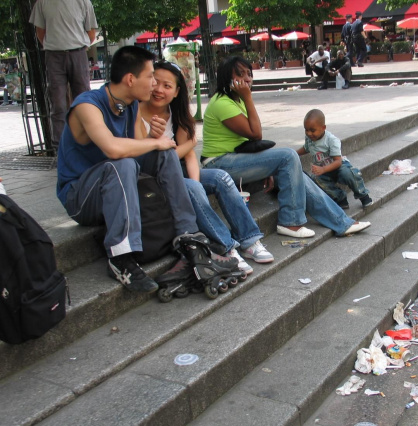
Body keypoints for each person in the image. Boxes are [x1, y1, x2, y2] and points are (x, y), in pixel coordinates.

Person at [56, 46, 209, 292]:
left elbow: (141, 148)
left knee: (165, 153)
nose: (154, 84)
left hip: (116, 187)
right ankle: (120, 257)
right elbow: (113, 149)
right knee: (123, 163)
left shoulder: (131, 106)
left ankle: (187, 234)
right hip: (80, 197)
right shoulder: (87, 105)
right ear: (130, 79)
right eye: (150, 77)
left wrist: (153, 138)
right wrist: (152, 141)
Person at [201, 56, 370, 239]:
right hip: (219, 163)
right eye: (240, 74)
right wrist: (248, 97)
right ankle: (291, 221)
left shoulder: (236, 100)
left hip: (236, 159)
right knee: (288, 156)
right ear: (228, 78)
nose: (248, 79)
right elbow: (256, 133)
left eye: (249, 73)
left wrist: (267, 168)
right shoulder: (222, 103)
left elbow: (250, 139)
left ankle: (342, 222)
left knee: (295, 170)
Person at [140, 60, 273, 274]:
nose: (159, 89)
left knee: (219, 177)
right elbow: (146, 156)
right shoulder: (136, 112)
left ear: (176, 92)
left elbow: (190, 154)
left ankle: (249, 241)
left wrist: (195, 180)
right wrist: (179, 149)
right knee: (191, 188)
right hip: (149, 179)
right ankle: (227, 248)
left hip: (177, 170)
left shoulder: (178, 115)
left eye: (167, 86)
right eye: (155, 82)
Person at [29, 0, 98, 149]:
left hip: (77, 52)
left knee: (84, 100)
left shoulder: (84, 2)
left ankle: (88, 140)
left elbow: (91, 33)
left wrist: (78, 46)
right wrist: (54, 46)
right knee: (57, 101)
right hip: (54, 55)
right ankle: (60, 146)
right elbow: (40, 32)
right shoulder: (43, 3)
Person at [297, 109, 372, 210]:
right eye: (306, 130)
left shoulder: (331, 140)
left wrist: (323, 169)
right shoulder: (310, 139)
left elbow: (338, 161)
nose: (309, 133)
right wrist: (294, 153)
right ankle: (340, 198)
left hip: (339, 167)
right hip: (324, 170)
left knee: (348, 174)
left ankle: (363, 195)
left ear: (323, 128)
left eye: (312, 130)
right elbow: (306, 148)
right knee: (316, 179)